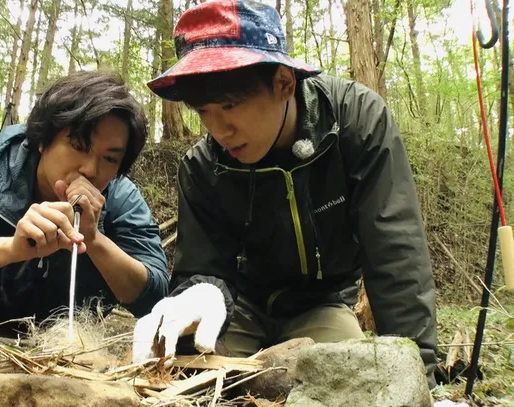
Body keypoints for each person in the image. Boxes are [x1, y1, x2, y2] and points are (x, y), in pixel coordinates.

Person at [132, 0, 438, 388]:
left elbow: (396, 252)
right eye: (203, 111)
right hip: (237, 306)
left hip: (321, 303)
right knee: (190, 383)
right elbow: (204, 267)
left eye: (229, 105)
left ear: (284, 82)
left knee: (348, 384)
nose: (218, 130)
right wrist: (200, 293)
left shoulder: (356, 122)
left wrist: (420, 380)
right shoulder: (201, 166)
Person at [0, 70, 169, 339]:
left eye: (109, 159)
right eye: (78, 145)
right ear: (42, 140)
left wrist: (95, 240)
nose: (90, 169)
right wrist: (12, 249)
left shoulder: (120, 196)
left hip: (62, 345)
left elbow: (158, 296)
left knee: (111, 251)